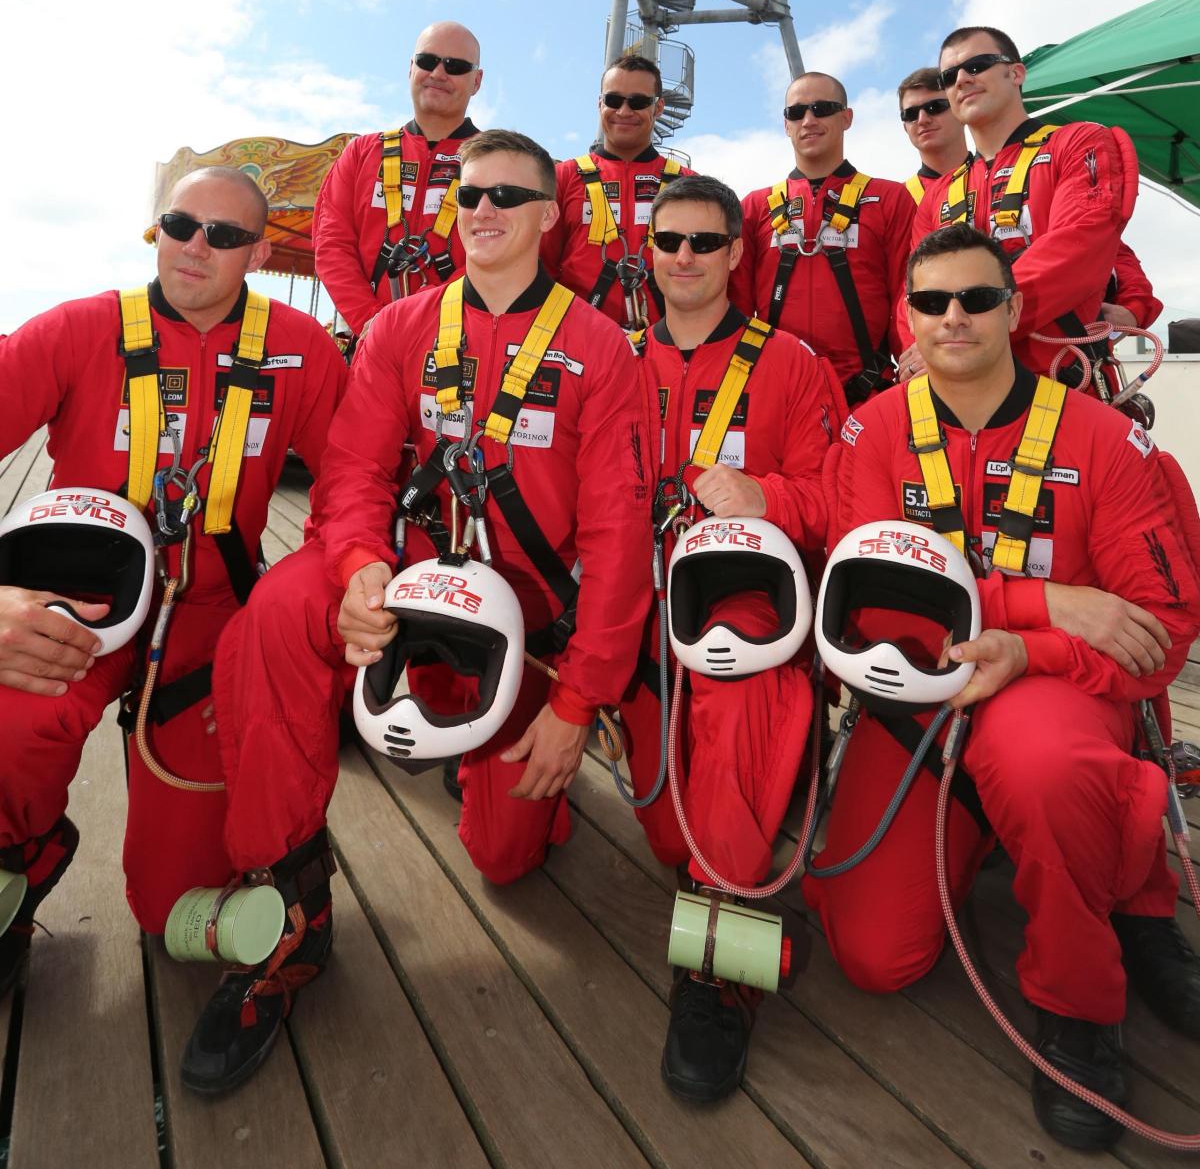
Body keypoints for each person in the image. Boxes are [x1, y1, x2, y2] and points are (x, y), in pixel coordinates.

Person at [188, 130, 654, 1093]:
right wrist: (358, 567)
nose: (481, 211)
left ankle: (521, 776)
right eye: (470, 194)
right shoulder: (404, 329)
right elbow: (354, 471)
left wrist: (578, 709)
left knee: (504, 859)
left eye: (506, 196)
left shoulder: (603, 350)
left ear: (546, 214)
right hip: (403, 570)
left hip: (522, 617)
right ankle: (290, 903)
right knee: (276, 613)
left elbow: (617, 540)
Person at [811, 224, 1200, 1151]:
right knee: (872, 958)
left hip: (1051, 697)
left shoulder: (1107, 440)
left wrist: (1034, 654)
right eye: (933, 301)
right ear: (906, 318)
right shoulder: (869, 434)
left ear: (1015, 309)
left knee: (1046, 765)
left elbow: (1161, 631)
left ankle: (1085, 993)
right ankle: (1074, 853)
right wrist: (1040, 602)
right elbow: (866, 591)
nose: (956, 317)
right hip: (919, 700)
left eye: (978, 298)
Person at [0, 169, 346, 1004]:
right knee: (11, 724)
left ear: (259, 252)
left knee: (170, 912)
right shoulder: (76, 330)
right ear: (155, 229)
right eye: (180, 223)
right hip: (77, 602)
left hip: (212, 616)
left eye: (225, 235)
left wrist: (306, 615)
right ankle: (23, 858)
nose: (197, 245)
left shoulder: (303, 347)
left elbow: (354, 491)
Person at [620, 175, 843, 1102]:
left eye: (705, 243)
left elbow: (843, 501)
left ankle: (717, 961)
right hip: (630, 608)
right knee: (517, 849)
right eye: (668, 241)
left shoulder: (791, 363)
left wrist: (769, 498)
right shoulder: (610, 356)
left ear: (736, 254)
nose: (684, 258)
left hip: (744, 609)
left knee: (739, 707)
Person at [903, 26, 1141, 385]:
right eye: (949, 76)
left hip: (1061, 384)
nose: (962, 80)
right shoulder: (939, 194)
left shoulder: (1078, 143)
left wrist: (962, 328)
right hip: (958, 394)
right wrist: (926, 349)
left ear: (1016, 73)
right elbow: (912, 292)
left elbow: (1079, 248)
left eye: (977, 65)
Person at [731, 71, 912, 405]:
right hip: (777, 391)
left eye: (822, 108)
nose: (809, 120)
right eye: (796, 112)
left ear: (847, 117)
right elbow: (737, 305)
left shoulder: (890, 198)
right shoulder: (755, 207)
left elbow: (907, 289)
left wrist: (915, 354)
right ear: (786, 125)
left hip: (868, 391)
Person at [312, 20, 483, 338]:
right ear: (411, 68)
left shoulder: (497, 162)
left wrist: (424, 321)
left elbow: (504, 253)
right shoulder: (362, 152)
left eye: (456, 66)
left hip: (456, 341)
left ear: (477, 81)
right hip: (366, 341)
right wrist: (372, 323)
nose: (438, 74)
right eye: (427, 61)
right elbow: (331, 244)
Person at [542, 52, 694, 330]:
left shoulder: (690, 185)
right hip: (578, 340)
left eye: (638, 102)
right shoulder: (562, 178)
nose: (624, 111)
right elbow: (542, 265)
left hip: (668, 341)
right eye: (613, 100)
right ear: (600, 104)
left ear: (658, 107)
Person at [897, 67, 967, 203]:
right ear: (905, 127)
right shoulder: (897, 201)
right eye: (911, 114)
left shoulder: (998, 175)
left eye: (935, 107)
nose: (922, 120)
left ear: (961, 111)